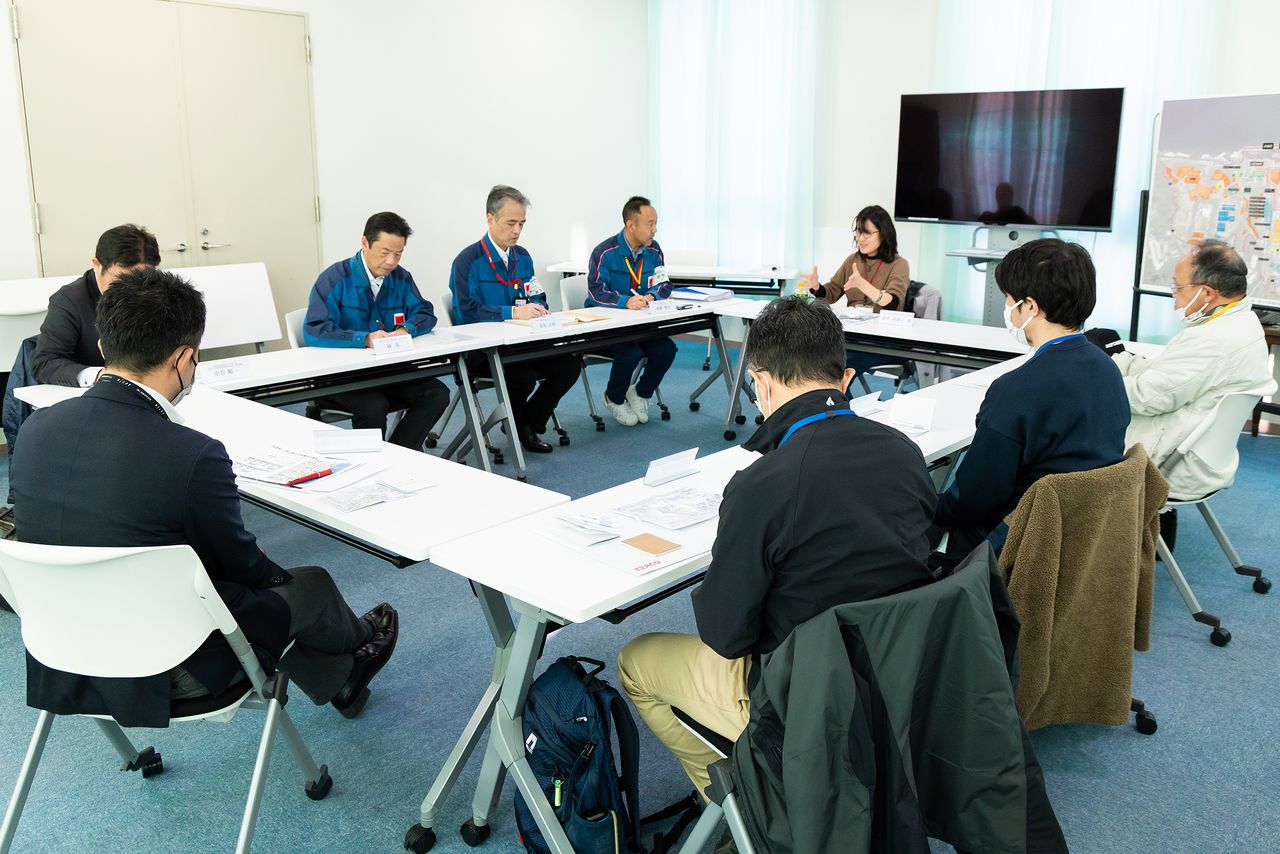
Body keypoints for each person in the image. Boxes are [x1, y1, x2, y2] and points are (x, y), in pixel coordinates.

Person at [10, 269, 398, 726]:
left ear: (102, 347)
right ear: (185, 358)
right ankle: (357, 645)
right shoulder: (191, 452)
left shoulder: (36, 428)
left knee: (254, 595)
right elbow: (239, 566)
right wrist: (262, 565)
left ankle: (344, 678)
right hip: (168, 664)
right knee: (307, 584)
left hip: (61, 649)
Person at [618, 296, 938, 796]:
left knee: (636, 660)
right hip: (901, 676)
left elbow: (725, 637)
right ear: (846, 378)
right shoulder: (906, 453)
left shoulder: (761, 485)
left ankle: (751, 813)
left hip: (806, 701)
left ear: (760, 383)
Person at [934, 238, 1130, 557]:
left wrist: (931, 508)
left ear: (1030, 307)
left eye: (1010, 301)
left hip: (1025, 540)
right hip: (1086, 534)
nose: (1008, 312)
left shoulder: (1016, 389)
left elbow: (974, 498)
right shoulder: (1107, 370)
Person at [1090, 241, 1275, 546]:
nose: (1174, 296)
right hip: (1204, 453)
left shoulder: (1214, 339)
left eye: (1178, 287)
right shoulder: (1239, 321)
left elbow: (1147, 398)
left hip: (1176, 463)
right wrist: (1118, 361)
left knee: (1061, 439)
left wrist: (1088, 379)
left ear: (1206, 293)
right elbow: (1169, 375)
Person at [303, 211, 450, 451]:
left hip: (386, 369)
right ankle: (374, 468)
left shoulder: (400, 278)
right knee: (373, 406)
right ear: (364, 243)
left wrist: (406, 329)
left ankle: (399, 455)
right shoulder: (334, 279)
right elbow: (315, 330)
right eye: (384, 252)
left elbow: (425, 313)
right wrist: (365, 339)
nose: (392, 261)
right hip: (343, 376)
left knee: (437, 393)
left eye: (398, 254)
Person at [448, 185, 579, 454]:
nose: (517, 231)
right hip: (484, 351)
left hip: (522, 343)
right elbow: (466, 311)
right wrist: (512, 313)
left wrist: (539, 307)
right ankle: (524, 428)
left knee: (568, 365)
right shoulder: (467, 261)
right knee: (523, 374)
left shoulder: (523, 257)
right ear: (490, 219)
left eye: (521, 223)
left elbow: (537, 294)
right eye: (511, 223)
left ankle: (526, 421)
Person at [30, 224, 160, 386]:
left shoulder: (156, 290)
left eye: (142, 277)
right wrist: (100, 375)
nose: (133, 288)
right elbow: (44, 363)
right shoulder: (70, 300)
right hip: (92, 395)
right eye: (122, 279)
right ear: (97, 265)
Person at [585, 196, 677, 426]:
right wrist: (625, 302)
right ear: (631, 224)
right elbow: (596, 291)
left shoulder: (653, 250)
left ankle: (641, 392)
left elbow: (664, 283)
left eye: (656, 223)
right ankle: (614, 397)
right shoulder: (605, 252)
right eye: (650, 223)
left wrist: (652, 295)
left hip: (640, 324)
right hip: (608, 327)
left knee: (666, 349)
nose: (654, 230)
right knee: (631, 353)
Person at [802, 204, 911, 381]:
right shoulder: (853, 260)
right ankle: (838, 406)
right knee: (815, 359)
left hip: (881, 341)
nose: (860, 238)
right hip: (853, 336)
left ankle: (839, 407)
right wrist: (816, 287)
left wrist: (862, 284)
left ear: (883, 233)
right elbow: (832, 292)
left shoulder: (899, 264)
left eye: (866, 233)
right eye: (857, 232)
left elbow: (892, 302)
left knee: (836, 367)